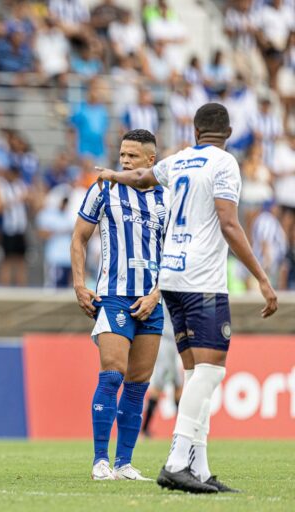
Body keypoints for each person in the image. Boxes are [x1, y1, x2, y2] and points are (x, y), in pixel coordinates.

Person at [96, 103, 279, 493]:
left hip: (171, 278)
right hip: (203, 280)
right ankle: (178, 461)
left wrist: (113, 174)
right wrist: (262, 277)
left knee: (196, 373)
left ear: (195, 131)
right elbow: (228, 222)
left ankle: (199, 468)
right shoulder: (225, 164)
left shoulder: (178, 161)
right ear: (227, 132)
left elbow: (145, 177)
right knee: (211, 372)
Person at [71, 129, 166, 481]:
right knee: (112, 373)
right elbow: (79, 238)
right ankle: (100, 461)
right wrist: (79, 283)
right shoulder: (104, 189)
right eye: (122, 154)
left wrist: (157, 293)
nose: (124, 161)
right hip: (113, 294)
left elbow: (172, 255)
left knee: (139, 383)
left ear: (150, 161)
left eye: (132, 156)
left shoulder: (164, 199)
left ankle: (124, 463)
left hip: (151, 300)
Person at [142, 309, 184, 438]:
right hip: (165, 339)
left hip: (173, 340)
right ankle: (145, 429)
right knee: (161, 383)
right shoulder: (164, 292)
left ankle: (181, 428)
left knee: (177, 383)